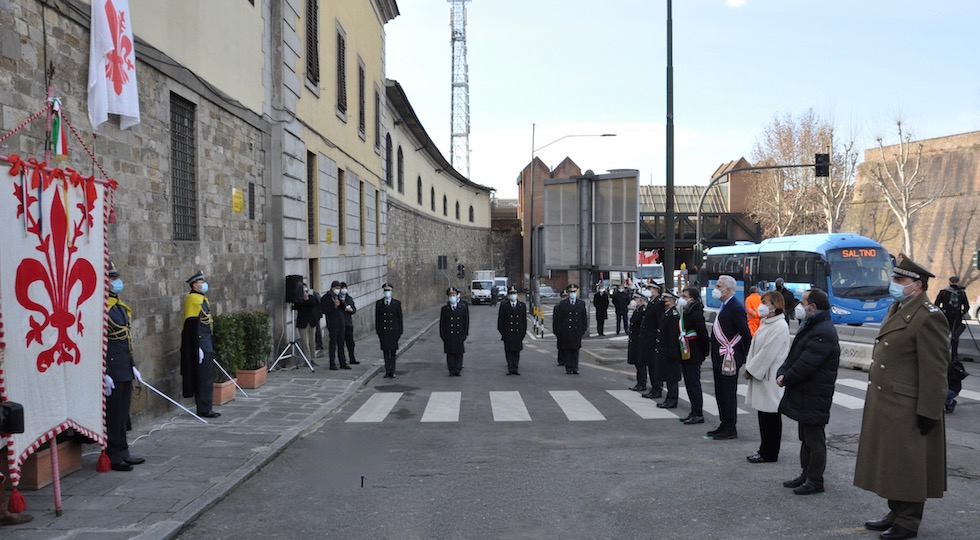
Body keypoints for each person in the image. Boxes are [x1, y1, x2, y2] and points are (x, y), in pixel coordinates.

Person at [854, 255, 949, 540]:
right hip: (889, 403)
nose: (894, 285)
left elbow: (935, 369)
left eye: (900, 280)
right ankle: (895, 511)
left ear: (917, 286)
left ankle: (908, 522)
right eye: (894, 279)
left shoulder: (929, 316)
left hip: (909, 405)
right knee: (892, 462)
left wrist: (929, 411)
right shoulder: (899, 306)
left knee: (910, 465)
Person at [776, 288, 840, 495]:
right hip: (806, 392)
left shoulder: (823, 331)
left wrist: (786, 377)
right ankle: (806, 474)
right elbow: (795, 355)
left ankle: (815, 479)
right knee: (806, 436)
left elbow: (807, 363)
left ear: (813, 307)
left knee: (815, 439)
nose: (799, 307)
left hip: (815, 393)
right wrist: (783, 370)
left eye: (802, 303)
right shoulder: (812, 325)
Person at [104, 261, 146, 471]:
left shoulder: (120, 308)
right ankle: (113, 455)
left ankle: (123, 451)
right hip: (112, 369)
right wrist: (105, 373)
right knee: (112, 416)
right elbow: (101, 343)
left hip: (123, 367)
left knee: (122, 414)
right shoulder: (103, 309)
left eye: (116, 278)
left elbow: (125, 340)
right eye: (112, 279)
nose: (116, 282)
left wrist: (132, 365)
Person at [743, 291, 790, 464]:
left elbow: (767, 353)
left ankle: (769, 453)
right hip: (763, 375)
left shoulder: (779, 326)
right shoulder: (767, 323)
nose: (761, 305)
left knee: (771, 415)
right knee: (764, 415)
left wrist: (751, 370)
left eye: (765, 302)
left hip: (769, 377)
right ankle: (764, 449)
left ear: (775, 306)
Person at [706, 275, 752, 440]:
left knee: (727, 393)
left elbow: (745, 334)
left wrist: (743, 356)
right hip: (720, 357)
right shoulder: (725, 305)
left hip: (729, 358)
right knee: (720, 392)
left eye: (719, 286)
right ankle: (724, 423)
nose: (715, 289)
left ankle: (730, 426)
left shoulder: (735, 307)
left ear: (729, 289)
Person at [180, 271, 220, 418]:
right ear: (194, 285)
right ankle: (203, 408)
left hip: (206, 341)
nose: (204, 284)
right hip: (200, 343)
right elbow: (191, 326)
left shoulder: (202, 299)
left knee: (207, 376)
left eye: (204, 282)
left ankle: (207, 405)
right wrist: (196, 347)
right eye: (200, 282)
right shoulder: (192, 299)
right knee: (202, 377)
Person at [678, 287, 709, 425]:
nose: (682, 299)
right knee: (689, 383)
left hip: (694, 353)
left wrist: (704, 352)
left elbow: (702, 334)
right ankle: (693, 411)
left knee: (694, 383)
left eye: (685, 296)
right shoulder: (687, 310)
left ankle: (698, 413)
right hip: (686, 352)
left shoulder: (695, 312)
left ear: (692, 298)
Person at [655, 291, 683, 409]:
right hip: (665, 350)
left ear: (672, 300)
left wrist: (672, 352)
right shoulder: (667, 313)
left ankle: (672, 399)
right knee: (668, 376)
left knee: (672, 377)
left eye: (666, 299)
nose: (663, 301)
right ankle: (669, 398)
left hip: (670, 351)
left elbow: (673, 336)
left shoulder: (673, 315)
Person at [553, 284, 588, 374]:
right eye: (571, 292)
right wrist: (559, 332)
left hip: (576, 331)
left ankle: (575, 367)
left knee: (575, 350)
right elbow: (559, 319)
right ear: (568, 293)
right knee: (568, 350)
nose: (573, 293)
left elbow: (584, 318)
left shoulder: (581, 303)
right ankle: (569, 367)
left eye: (574, 292)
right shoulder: (563, 304)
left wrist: (582, 330)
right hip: (566, 331)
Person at [934, 275, 969, 359]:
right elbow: (937, 304)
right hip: (950, 317)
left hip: (952, 317)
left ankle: (950, 354)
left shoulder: (958, 293)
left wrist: (961, 312)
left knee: (952, 336)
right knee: (949, 336)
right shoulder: (948, 292)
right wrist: (961, 312)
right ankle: (950, 354)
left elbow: (966, 306)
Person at [641, 284, 665, 399]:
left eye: (650, 289)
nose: (648, 291)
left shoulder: (658, 303)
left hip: (653, 338)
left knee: (655, 366)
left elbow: (659, 322)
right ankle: (654, 388)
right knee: (650, 365)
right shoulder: (651, 302)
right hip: (648, 339)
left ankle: (657, 389)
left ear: (656, 290)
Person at [497, 286, 527, 375]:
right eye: (511, 294)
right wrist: (503, 333)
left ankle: (516, 367)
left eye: (514, 293)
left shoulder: (522, 306)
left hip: (518, 333)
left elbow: (523, 321)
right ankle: (510, 367)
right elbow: (500, 321)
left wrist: (523, 333)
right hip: (508, 333)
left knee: (517, 351)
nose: (513, 295)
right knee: (509, 351)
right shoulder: (504, 306)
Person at [375, 283, 403, 378]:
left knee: (393, 353)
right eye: (386, 290)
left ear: (392, 291)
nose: (387, 292)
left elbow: (400, 318)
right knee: (386, 352)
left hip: (393, 332)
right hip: (384, 332)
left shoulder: (396, 303)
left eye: (389, 290)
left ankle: (393, 370)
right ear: (383, 291)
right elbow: (377, 319)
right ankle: (387, 371)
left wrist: (400, 332)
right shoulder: (379, 303)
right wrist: (378, 332)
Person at [440, 287, 470, 376]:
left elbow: (466, 322)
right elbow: (442, 324)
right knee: (450, 353)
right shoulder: (445, 309)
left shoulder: (462, 308)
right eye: (450, 295)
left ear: (457, 296)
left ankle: (458, 369)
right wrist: (443, 336)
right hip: (449, 335)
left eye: (454, 295)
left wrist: (465, 334)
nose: (452, 297)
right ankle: (451, 369)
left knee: (459, 353)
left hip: (459, 334)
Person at [322, 280, 349, 370]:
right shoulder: (326, 298)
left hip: (341, 322)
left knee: (341, 343)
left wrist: (342, 303)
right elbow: (324, 310)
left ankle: (343, 362)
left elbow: (344, 308)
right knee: (333, 343)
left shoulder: (339, 297)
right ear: (332, 288)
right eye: (336, 288)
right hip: (332, 322)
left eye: (339, 288)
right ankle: (332, 362)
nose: (338, 290)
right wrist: (334, 306)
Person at [292, 282, 320, 367]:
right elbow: (297, 307)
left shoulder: (311, 298)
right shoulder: (298, 300)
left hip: (311, 322)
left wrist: (307, 298)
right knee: (305, 342)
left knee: (312, 341)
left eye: (306, 290)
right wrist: (302, 298)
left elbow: (313, 304)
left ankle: (313, 358)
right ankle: (307, 359)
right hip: (303, 322)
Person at [627, 291, 648, 391]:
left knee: (640, 364)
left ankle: (642, 383)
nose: (633, 301)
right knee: (637, 363)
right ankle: (640, 382)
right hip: (635, 340)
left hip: (639, 341)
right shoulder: (638, 310)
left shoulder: (643, 311)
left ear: (641, 300)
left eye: (635, 299)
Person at [338, 282, 359, 365]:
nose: (344, 290)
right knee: (341, 343)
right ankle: (342, 360)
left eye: (345, 288)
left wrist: (351, 310)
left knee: (350, 342)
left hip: (348, 323)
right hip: (340, 323)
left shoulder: (349, 298)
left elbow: (354, 309)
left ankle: (352, 358)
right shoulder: (337, 299)